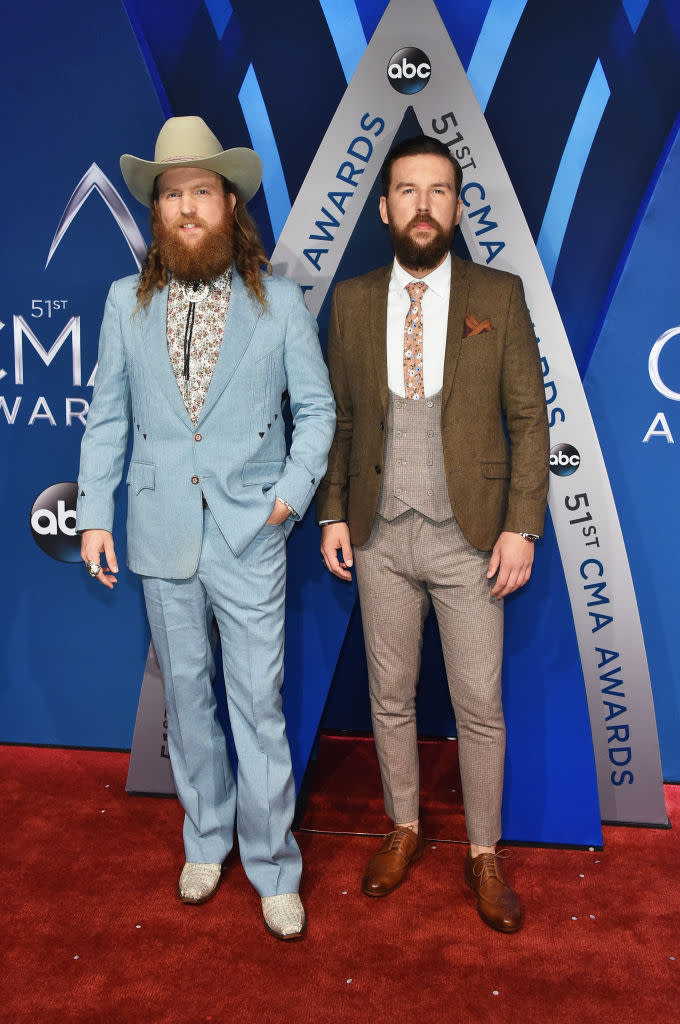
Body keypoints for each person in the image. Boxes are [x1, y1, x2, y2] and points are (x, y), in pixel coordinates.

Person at [77, 116, 335, 940]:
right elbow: (106, 418)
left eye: (201, 193)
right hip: (158, 530)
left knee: (256, 705)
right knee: (188, 703)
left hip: (250, 533)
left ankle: (272, 866)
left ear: (230, 203)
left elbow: (319, 412)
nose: (187, 208)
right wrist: (92, 516)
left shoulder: (281, 303)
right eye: (172, 195)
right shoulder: (125, 302)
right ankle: (204, 840)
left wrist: (287, 499)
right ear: (158, 213)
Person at [317, 135, 549, 933]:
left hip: (471, 538)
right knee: (388, 695)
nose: (422, 206)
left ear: (457, 205)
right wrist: (334, 512)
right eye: (407, 191)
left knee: (478, 701)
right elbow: (341, 420)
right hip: (381, 534)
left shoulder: (502, 294)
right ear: (384, 207)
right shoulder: (349, 303)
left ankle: (484, 853)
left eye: (438, 191)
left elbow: (528, 418)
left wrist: (522, 526)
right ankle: (404, 827)